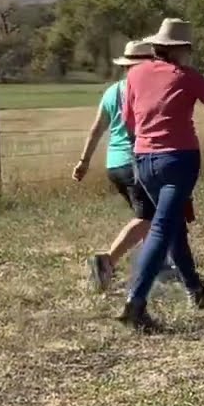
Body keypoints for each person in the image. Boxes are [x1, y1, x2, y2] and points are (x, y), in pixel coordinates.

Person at [119, 18, 204, 330]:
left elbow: (128, 120)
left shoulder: (135, 73)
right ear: (181, 49)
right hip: (179, 160)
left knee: (174, 227)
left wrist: (146, 140)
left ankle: (196, 291)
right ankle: (135, 301)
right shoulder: (188, 77)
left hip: (144, 161)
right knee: (162, 229)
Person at [75, 40, 164, 291]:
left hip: (114, 164)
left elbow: (96, 129)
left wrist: (84, 161)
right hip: (135, 162)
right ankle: (108, 261)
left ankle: (153, 266)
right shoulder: (146, 90)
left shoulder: (112, 91)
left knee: (152, 215)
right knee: (148, 217)